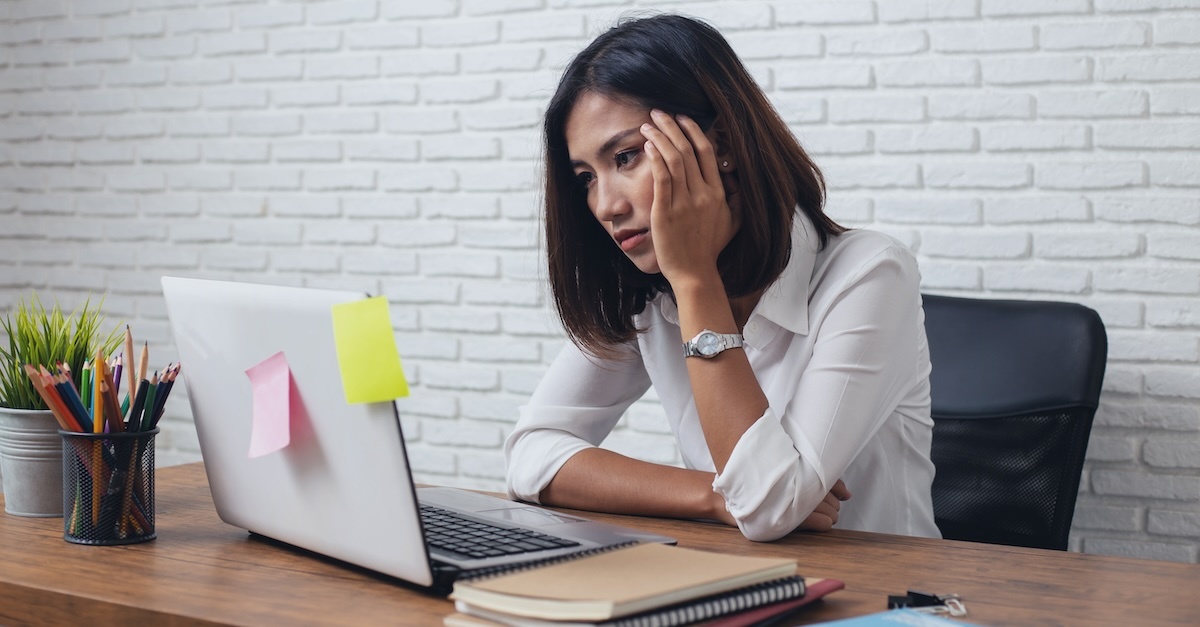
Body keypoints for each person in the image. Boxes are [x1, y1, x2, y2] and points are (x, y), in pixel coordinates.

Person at [504, 13, 940, 542]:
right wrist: (710, 494)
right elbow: (531, 455)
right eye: (585, 180)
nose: (605, 205)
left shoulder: (871, 274)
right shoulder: (648, 295)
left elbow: (768, 507)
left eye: (625, 157)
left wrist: (694, 280)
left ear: (723, 144)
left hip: (882, 601)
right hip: (739, 586)